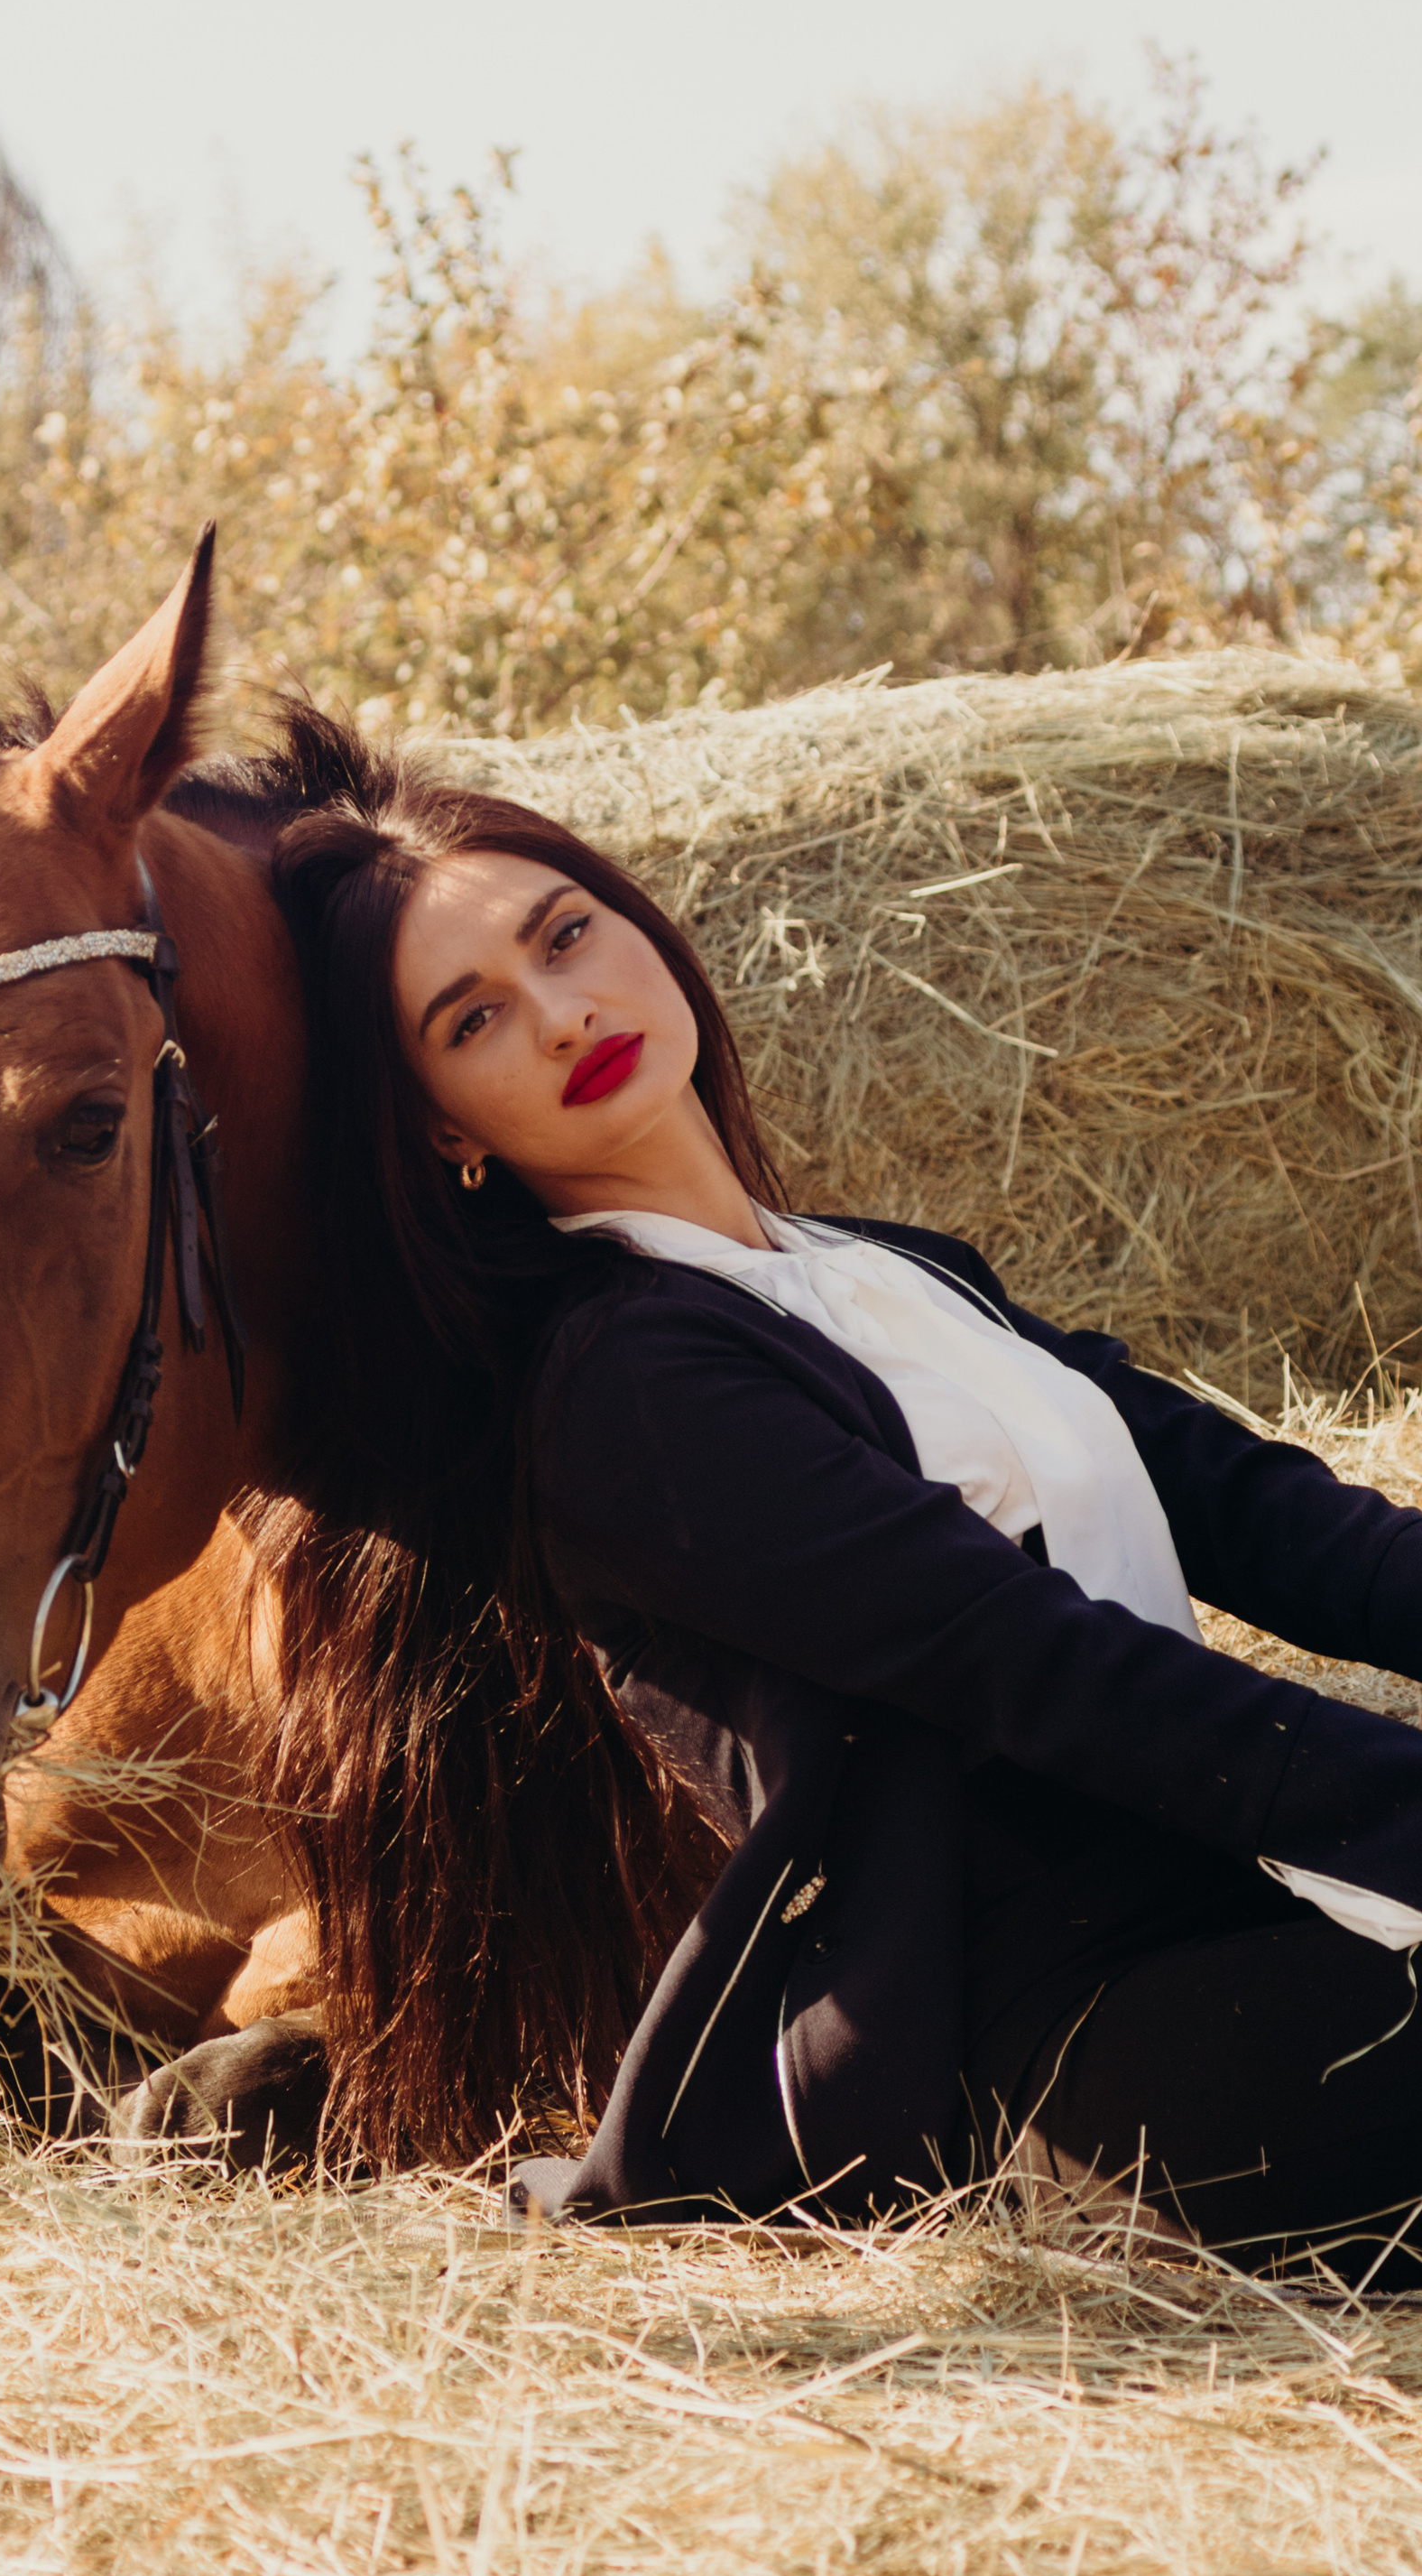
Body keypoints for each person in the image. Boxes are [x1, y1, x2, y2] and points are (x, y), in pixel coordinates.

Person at [265, 730, 1422, 2286]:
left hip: (1243, 1921)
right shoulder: (630, 1390)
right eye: (477, 1020)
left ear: (643, 931)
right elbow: (1032, 1664)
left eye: (566, 936)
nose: (562, 1014)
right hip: (1070, 2047)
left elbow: (1269, 1516)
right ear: (444, 1131)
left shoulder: (891, 1272)